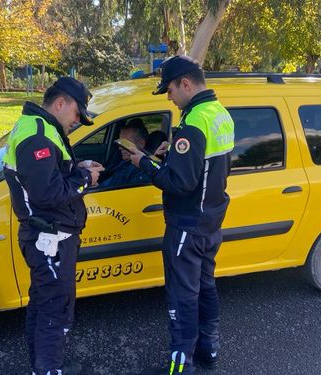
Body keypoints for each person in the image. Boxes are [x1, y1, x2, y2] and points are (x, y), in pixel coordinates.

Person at [129, 55, 235, 375]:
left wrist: (143, 163)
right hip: (211, 220)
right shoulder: (219, 114)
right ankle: (209, 350)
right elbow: (205, 168)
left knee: (182, 296)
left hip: (186, 226)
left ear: (185, 84)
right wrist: (173, 154)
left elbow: (179, 183)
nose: (169, 98)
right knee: (205, 286)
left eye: (170, 90)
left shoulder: (192, 124)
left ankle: (181, 365)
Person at [2, 77, 104, 375]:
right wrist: (86, 179)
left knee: (42, 305)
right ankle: (49, 369)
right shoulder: (38, 136)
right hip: (50, 236)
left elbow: (50, 174)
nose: (77, 121)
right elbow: (47, 194)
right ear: (61, 103)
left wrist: (77, 167)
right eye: (76, 114)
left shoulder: (40, 126)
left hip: (47, 235)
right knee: (55, 310)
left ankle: (42, 366)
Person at [101, 118, 151, 188]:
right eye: (120, 142)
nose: (120, 148)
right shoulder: (122, 160)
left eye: (125, 143)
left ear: (141, 143)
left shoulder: (142, 171)